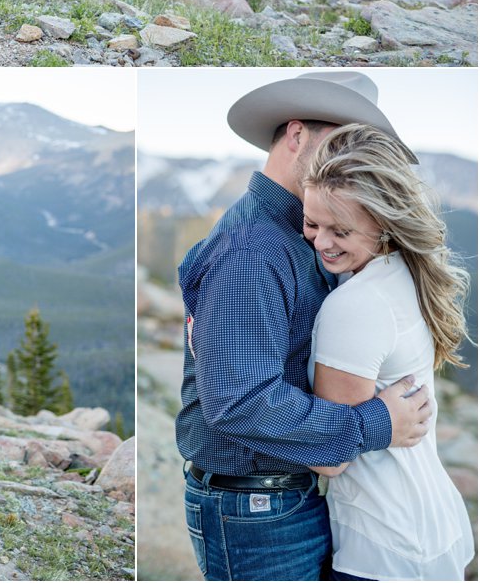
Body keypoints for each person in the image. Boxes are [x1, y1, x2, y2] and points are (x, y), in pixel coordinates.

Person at [176, 71, 433, 582]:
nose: (348, 159)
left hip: (279, 498)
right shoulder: (254, 251)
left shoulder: (299, 235)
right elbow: (240, 401)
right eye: (338, 141)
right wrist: (378, 423)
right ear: (296, 136)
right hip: (255, 510)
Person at [302, 123, 473, 582]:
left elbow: (328, 453)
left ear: (383, 226)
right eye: (312, 223)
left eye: (341, 230)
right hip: (432, 529)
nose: (320, 242)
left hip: (381, 545)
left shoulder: (354, 305)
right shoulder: (401, 272)